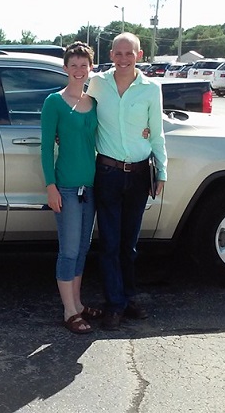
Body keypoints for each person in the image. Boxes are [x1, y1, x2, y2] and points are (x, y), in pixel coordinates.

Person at [86, 32, 168, 331]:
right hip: (107, 173)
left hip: (138, 174)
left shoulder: (150, 89)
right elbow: (79, 110)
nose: (122, 59)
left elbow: (156, 132)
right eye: (118, 54)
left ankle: (129, 297)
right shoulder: (97, 83)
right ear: (111, 54)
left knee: (129, 245)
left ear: (140, 55)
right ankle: (114, 304)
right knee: (109, 243)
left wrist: (162, 171)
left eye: (128, 54)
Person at [40, 41, 100, 334]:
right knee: (69, 250)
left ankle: (77, 303)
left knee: (83, 249)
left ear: (91, 68)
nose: (78, 70)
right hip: (65, 187)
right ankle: (68, 311)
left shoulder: (95, 103)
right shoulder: (54, 102)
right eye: (73, 65)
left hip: (91, 188)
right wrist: (50, 186)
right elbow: (45, 148)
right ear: (65, 68)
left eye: (83, 65)